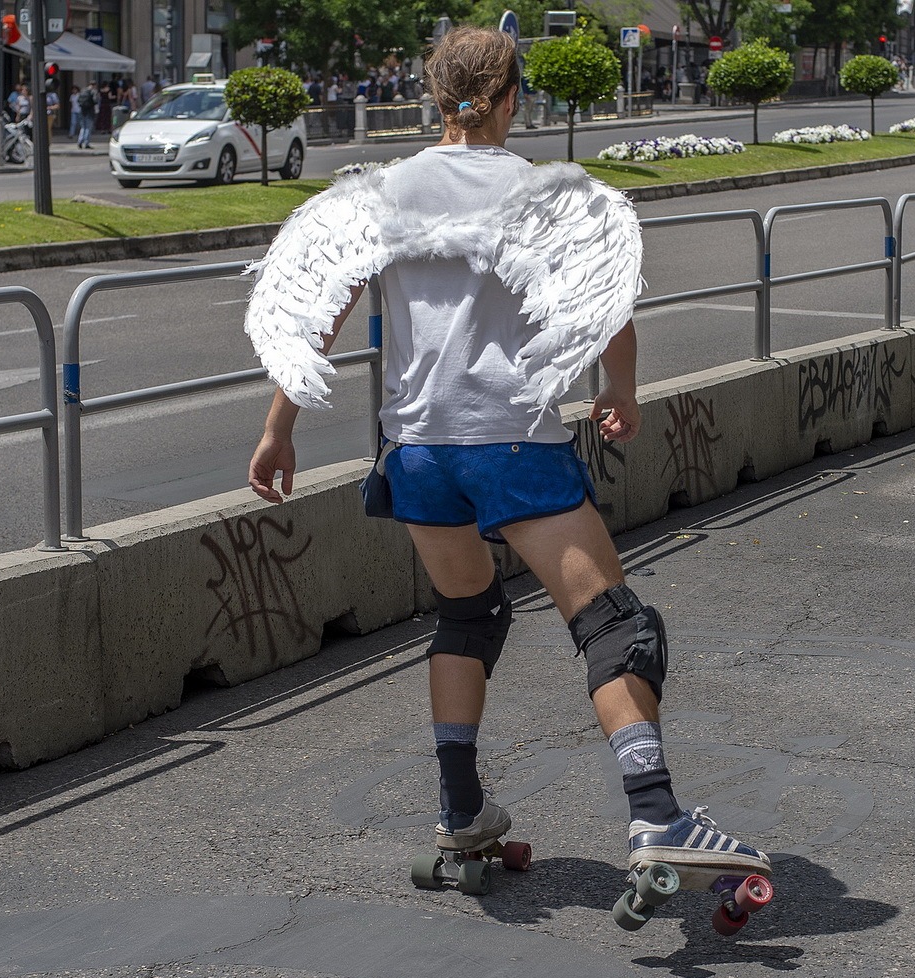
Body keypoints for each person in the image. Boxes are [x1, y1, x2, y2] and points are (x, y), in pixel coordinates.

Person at [243, 25, 771, 896]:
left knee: (469, 615)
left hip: (416, 451)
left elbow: (318, 311)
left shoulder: (380, 193)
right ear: (514, 99)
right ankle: (657, 813)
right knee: (615, 626)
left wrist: (278, 429)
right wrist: (621, 389)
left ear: (433, 95)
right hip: (513, 443)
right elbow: (607, 308)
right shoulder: (548, 194)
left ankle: (461, 811)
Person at [76, 82, 97, 148]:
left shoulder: (83, 91)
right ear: (94, 85)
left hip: (82, 111)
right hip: (89, 112)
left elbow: (78, 100)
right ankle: (86, 143)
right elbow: (95, 101)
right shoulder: (93, 92)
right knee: (88, 128)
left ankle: (80, 141)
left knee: (83, 127)